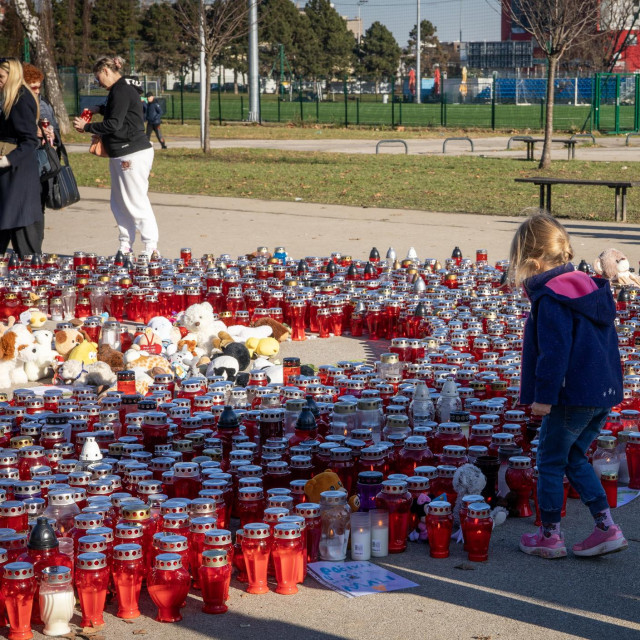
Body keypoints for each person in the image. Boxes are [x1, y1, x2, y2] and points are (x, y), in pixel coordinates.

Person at [510, 212, 627, 559]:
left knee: (548, 460)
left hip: (570, 396)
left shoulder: (551, 297)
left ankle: (550, 535)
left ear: (532, 260)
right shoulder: (588, 287)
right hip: (600, 393)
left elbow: (554, 353)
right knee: (574, 456)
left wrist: (543, 398)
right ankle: (606, 528)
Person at [73, 55, 159, 256]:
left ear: (106, 71)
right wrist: (100, 109)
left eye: (98, 78)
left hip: (132, 152)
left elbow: (114, 124)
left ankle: (151, 246)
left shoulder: (121, 89)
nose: (98, 83)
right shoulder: (121, 89)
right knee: (119, 202)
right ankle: (125, 244)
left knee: (135, 200)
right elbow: (119, 111)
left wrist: (87, 127)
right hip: (121, 152)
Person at [0, 58, 42, 257]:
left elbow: (29, 140)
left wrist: (8, 159)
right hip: (9, 175)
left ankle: (33, 277)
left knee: (22, 231)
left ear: (13, 75)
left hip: (18, 174)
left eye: (1, 76)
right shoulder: (9, 96)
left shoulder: (20, 98)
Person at [23, 62, 60, 248]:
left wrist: (52, 134)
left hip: (43, 160)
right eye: (33, 87)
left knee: (39, 206)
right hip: (26, 159)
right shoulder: (18, 102)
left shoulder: (43, 103)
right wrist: (33, 131)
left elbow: (56, 129)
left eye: (39, 86)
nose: (37, 90)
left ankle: (35, 246)